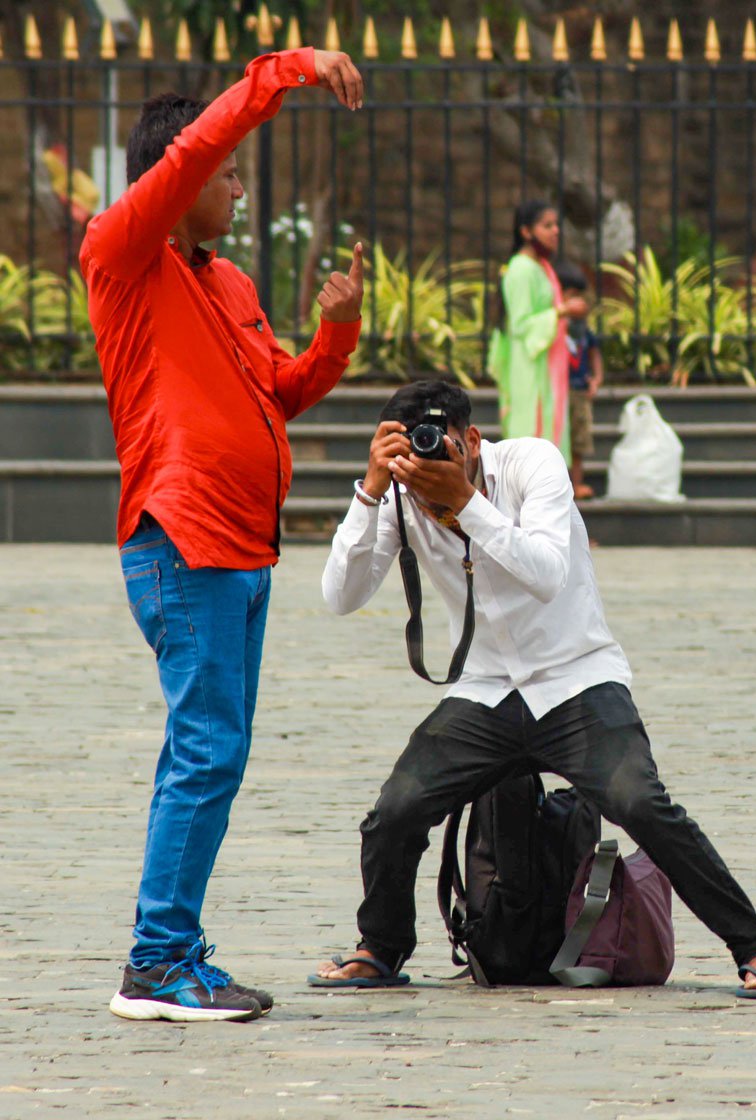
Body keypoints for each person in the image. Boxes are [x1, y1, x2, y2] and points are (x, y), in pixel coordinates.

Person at [309, 380, 756, 1000]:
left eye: (439, 444)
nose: (426, 462)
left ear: (472, 440)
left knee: (643, 804)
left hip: (576, 679)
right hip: (486, 690)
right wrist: (372, 491)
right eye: (409, 451)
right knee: (395, 812)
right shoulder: (399, 497)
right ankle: (380, 948)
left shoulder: (533, 463)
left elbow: (546, 572)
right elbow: (340, 596)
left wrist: (465, 503)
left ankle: (754, 947)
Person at [80, 46, 365, 1023]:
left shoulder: (232, 284)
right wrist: (287, 71)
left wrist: (336, 333)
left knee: (209, 755)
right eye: (229, 175)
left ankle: (169, 950)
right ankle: (157, 962)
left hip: (244, 548)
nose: (238, 190)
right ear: (184, 177)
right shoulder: (121, 251)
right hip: (183, 539)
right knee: (206, 753)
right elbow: (199, 145)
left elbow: (279, 392)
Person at [488, 201, 587, 461]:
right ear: (526, 231)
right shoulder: (521, 269)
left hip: (545, 365)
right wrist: (563, 311)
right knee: (530, 439)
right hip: (528, 368)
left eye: (556, 225)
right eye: (547, 225)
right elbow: (521, 324)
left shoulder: (541, 267)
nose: (556, 231)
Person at [555, 261, 603, 501]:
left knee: (578, 440)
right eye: (571, 295)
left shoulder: (582, 330)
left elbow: (594, 353)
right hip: (558, 391)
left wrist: (596, 379)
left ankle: (576, 483)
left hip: (578, 390)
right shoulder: (554, 326)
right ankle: (559, 484)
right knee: (558, 438)